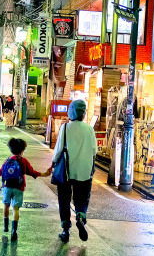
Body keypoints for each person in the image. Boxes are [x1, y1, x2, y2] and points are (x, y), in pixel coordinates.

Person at [52, 99, 97, 243]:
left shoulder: (65, 128)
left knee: (64, 199)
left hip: (66, 170)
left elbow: (58, 150)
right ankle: (80, 216)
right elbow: (94, 151)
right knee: (82, 197)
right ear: (83, 114)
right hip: (84, 170)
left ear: (70, 112)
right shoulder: (90, 129)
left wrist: (53, 163)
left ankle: (65, 229)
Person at [0, 138, 51, 242]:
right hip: (19, 188)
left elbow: (0, 172)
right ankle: (14, 230)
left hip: (7, 187)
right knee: (15, 208)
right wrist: (45, 174)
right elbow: (32, 172)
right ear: (21, 151)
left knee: (6, 205)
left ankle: (5, 226)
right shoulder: (23, 161)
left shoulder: (7, 160)